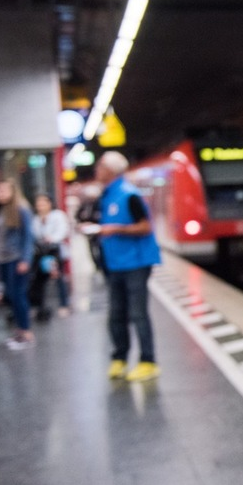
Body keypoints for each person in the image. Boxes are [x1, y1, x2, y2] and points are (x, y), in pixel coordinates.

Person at [94, 151, 162, 382]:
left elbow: (146, 227)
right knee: (116, 313)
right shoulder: (107, 195)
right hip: (114, 263)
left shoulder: (129, 195)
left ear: (111, 170)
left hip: (136, 263)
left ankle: (148, 361)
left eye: (101, 166)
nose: (97, 170)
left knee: (138, 313)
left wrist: (116, 229)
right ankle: (119, 358)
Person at [0, 178, 36, 350]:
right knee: (10, 295)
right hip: (3, 259)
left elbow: (28, 237)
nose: (0, 194)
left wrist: (25, 259)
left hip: (16, 258)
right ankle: (19, 330)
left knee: (18, 295)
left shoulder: (21, 209)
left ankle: (26, 332)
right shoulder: (0, 210)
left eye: (4, 190)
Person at [30, 193, 73, 320]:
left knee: (58, 277)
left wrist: (52, 238)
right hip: (41, 252)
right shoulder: (36, 219)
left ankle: (64, 304)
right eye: (39, 204)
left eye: (43, 203)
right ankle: (39, 306)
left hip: (55, 251)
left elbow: (63, 231)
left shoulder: (57, 216)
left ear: (49, 204)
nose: (41, 206)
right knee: (39, 280)